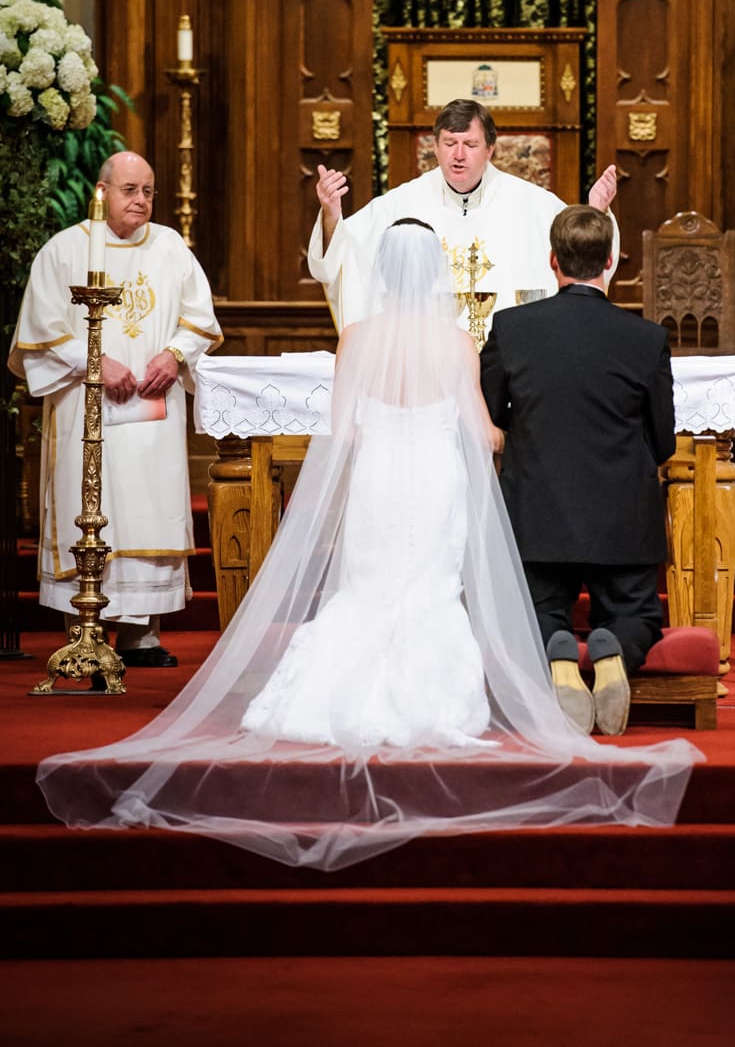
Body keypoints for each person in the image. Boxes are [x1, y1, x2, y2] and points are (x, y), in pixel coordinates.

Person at [36, 220, 701, 873]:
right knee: (434, 587)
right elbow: (483, 432)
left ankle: (350, 693)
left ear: (382, 274)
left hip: (381, 477)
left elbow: (343, 435)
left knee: (369, 589)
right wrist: (518, 437)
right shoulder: (454, 343)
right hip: (437, 478)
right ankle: (461, 690)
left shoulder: (355, 339)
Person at [8, 152, 222, 666]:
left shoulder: (170, 247)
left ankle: (140, 635)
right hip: (87, 408)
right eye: (130, 190)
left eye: (148, 190)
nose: (141, 200)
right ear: (102, 192)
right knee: (90, 508)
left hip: (151, 413)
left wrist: (174, 355)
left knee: (148, 509)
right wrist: (95, 362)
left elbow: (200, 318)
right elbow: (41, 328)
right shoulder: (63, 251)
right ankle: (85, 631)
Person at [480, 205, 676, 736]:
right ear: (610, 262)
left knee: (537, 611)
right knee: (638, 616)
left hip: (537, 513)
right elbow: (664, 441)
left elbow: (490, 417)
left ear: (552, 261)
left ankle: (558, 657)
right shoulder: (647, 338)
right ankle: (613, 653)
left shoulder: (512, 328)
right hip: (622, 517)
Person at [308, 98, 619, 339]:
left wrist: (597, 213)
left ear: (490, 150)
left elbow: (585, 257)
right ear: (435, 147)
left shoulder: (535, 205)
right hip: (427, 366)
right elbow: (344, 255)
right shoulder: (400, 203)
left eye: (470, 145)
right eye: (449, 144)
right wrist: (332, 215)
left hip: (513, 361)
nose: (458, 155)